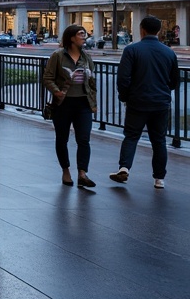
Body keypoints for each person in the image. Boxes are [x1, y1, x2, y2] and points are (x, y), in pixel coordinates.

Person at [109, 15, 180, 188]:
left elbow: (123, 79)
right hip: (161, 102)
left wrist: (125, 97)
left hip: (137, 101)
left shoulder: (132, 50)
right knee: (159, 140)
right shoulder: (169, 52)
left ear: (142, 30)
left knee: (131, 136)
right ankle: (159, 179)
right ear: (159, 31)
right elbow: (174, 81)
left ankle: (124, 167)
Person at [42, 25, 97, 188]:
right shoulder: (58, 56)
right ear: (71, 37)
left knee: (84, 139)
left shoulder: (86, 57)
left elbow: (92, 81)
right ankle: (65, 170)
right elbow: (47, 78)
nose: (84, 37)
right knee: (62, 138)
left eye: (84, 34)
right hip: (63, 103)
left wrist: (93, 101)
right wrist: (57, 92)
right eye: (81, 34)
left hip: (83, 103)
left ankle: (82, 173)